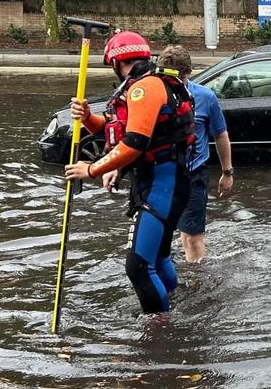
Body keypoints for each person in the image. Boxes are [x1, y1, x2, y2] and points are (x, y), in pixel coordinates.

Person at [64, 31, 196, 314]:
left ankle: (160, 331)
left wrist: (91, 169)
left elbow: (135, 143)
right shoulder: (149, 84)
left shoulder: (144, 88)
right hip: (166, 183)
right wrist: (88, 118)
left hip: (163, 185)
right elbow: (117, 131)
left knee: (138, 266)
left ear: (115, 61)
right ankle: (177, 307)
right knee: (158, 258)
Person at [156, 45, 233, 263]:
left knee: (192, 237)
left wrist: (227, 172)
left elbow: (220, 135)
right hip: (160, 175)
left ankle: (199, 283)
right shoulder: (152, 96)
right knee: (163, 234)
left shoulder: (205, 97)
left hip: (192, 175)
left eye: (178, 78)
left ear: (188, 73)